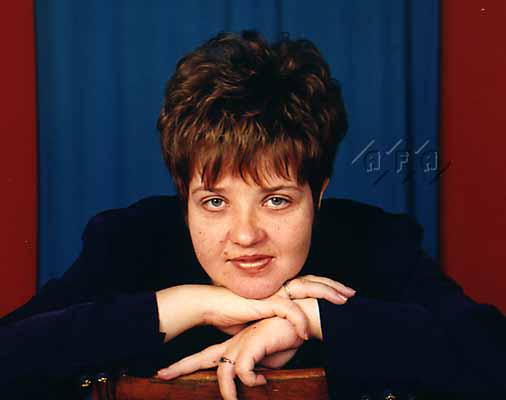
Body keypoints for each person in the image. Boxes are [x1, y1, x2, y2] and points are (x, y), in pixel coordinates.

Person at [1, 30, 504, 400]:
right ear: (183, 196)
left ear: (319, 195)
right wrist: (186, 305)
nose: (245, 235)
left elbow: (492, 358)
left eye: (276, 200)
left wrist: (312, 319)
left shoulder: (373, 241)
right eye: (214, 202)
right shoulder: (130, 240)